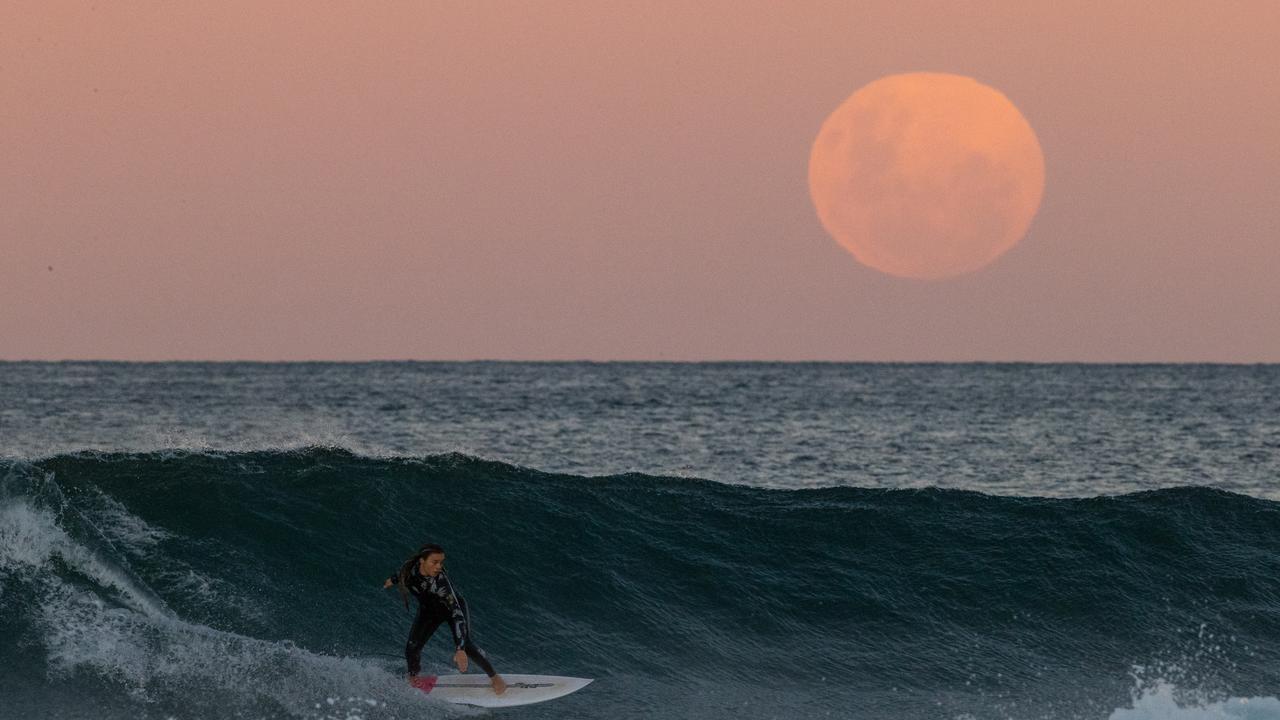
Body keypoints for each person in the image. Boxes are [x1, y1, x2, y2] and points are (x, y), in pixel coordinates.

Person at [383, 544, 507, 695]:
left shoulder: (441, 583)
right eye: (434, 562)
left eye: (441, 562)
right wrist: (391, 580)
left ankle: (495, 677)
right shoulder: (410, 569)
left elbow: (457, 613)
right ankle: (414, 677)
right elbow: (401, 574)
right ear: (421, 561)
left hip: (452, 610)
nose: (439, 567)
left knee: (466, 645)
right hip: (429, 612)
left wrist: (460, 649)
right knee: (412, 646)